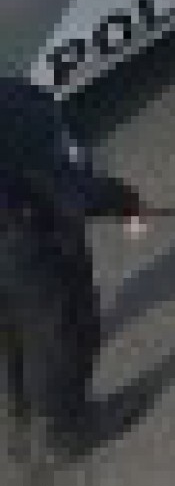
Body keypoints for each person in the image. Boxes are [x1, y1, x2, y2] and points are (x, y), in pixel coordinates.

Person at [0, 75, 144, 462]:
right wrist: (121, 199)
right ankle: (69, 426)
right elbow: (64, 181)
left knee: (16, 325)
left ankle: (25, 402)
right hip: (27, 236)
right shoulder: (14, 108)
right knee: (62, 327)